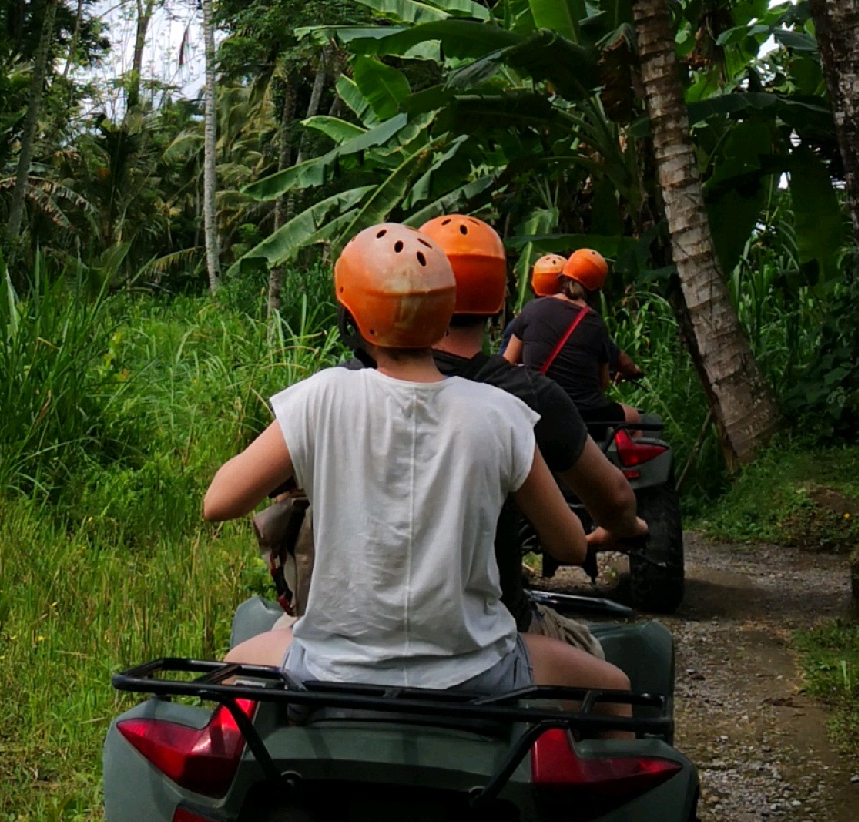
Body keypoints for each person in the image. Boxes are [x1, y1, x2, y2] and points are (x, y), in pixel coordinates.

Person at [202, 221, 631, 700]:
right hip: (478, 670)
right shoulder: (503, 413)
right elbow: (571, 547)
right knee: (616, 687)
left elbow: (218, 502)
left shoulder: (321, 397)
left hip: (327, 667)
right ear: (445, 309)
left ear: (352, 317)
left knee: (234, 667)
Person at [415, 211, 643, 627]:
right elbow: (573, 545)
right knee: (615, 681)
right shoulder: (512, 405)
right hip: (490, 631)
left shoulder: (343, 385)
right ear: (499, 299)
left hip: (345, 643)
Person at [503, 246, 643, 418]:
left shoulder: (531, 310)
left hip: (537, 411)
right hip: (585, 414)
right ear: (596, 289)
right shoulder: (595, 323)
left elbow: (506, 363)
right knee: (635, 418)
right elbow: (603, 384)